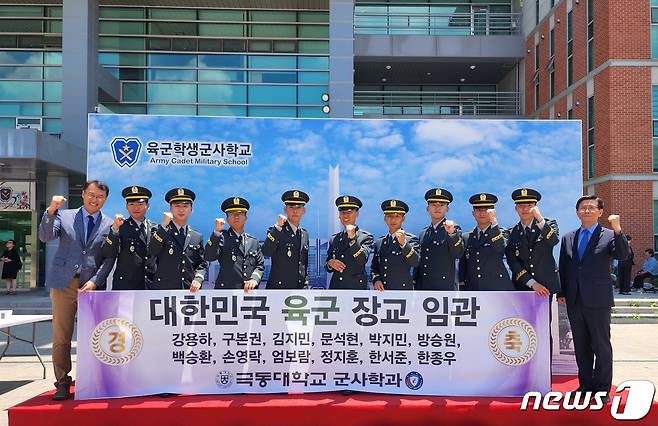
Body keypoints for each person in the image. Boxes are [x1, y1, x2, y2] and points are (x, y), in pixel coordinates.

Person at [38, 180, 114, 400]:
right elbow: (45, 235)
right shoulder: (64, 215)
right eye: (91, 194)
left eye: (99, 196)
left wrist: (96, 281)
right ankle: (62, 381)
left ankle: (93, 379)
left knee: (94, 336)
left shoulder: (109, 224)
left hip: (91, 287)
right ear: (82, 194)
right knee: (61, 336)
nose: (94, 199)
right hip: (64, 283)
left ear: (105, 199)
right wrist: (51, 210)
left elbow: (109, 259)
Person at [558, 195, 629, 402]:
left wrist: (618, 229)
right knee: (581, 346)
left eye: (591, 208)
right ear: (577, 212)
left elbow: (623, 255)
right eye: (582, 208)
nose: (586, 211)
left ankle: (602, 389)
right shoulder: (569, 237)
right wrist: (562, 292)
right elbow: (565, 267)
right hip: (574, 299)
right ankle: (586, 386)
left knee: (601, 345)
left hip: (598, 299)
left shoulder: (608, 235)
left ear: (600, 212)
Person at [148, 188, 207, 291]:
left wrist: (198, 278)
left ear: (191, 209)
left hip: (189, 292)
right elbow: (152, 251)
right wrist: (163, 226)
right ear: (170, 208)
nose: (181, 210)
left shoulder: (196, 236)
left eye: (185, 206)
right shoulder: (159, 230)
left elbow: (202, 264)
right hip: (163, 291)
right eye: (177, 206)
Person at [505, 188, 560, 296]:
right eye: (521, 206)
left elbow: (553, 240)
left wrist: (539, 218)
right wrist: (532, 283)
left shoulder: (548, 224)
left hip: (546, 287)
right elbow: (513, 262)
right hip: (522, 285)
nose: (525, 209)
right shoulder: (512, 232)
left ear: (536, 207)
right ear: (516, 208)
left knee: (544, 314)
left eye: (529, 205)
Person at [102, 186, 157, 290]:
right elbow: (108, 252)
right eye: (131, 204)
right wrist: (115, 229)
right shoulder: (120, 227)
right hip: (126, 285)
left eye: (140, 204)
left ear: (147, 206)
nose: (136, 208)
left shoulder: (155, 228)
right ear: (126, 206)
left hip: (150, 285)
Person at [204, 196, 264, 290]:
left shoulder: (253, 242)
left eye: (240, 213)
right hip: (226, 293)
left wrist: (254, 279)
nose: (236, 217)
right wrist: (216, 233)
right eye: (231, 213)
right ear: (227, 219)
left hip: (250, 293)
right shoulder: (221, 237)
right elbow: (209, 256)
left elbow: (260, 265)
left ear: (245, 218)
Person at [459, 193, 514, 291]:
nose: (482, 213)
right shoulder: (467, 236)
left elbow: (499, 247)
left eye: (486, 210)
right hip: (474, 290)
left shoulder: (502, 232)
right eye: (478, 209)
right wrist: (462, 285)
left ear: (493, 212)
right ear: (473, 213)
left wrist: (494, 222)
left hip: (499, 290)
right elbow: (463, 265)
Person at [414, 188, 464, 290]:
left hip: (445, 287)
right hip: (424, 287)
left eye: (441, 205)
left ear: (447, 209)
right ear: (427, 208)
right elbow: (420, 261)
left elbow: (458, 253)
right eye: (433, 205)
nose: (437, 208)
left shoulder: (453, 229)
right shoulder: (423, 233)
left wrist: (452, 234)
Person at [262, 190, 310, 289]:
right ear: (285, 209)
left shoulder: (304, 234)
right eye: (291, 207)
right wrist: (278, 227)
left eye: (298, 207)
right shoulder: (276, 230)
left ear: (304, 210)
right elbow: (266, 252)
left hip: (299, 289)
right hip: (278, 289)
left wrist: (305, 284)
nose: (295, 211)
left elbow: (303, 263)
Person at [326, 195, 374, 289]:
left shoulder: (365, 237)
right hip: (337, 288)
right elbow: (327, 263)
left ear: (357, 213)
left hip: (357, 289)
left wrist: (352, 238)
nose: (345, 215)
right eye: (342, 212)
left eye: (349, 212)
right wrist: (330, 263)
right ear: (339, 215)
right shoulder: (334, 238)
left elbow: (362, 260)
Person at [371, 199, 419, 290]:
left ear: (403, 218)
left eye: (397, 216)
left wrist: (404, 244)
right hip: (382, 291)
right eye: (389, 216)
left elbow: (415, 262)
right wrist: (376, 280)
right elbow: (374, 268)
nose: (393, 219)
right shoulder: (380, 242)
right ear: (385, 219)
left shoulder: (410, 239)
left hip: (402, 292)